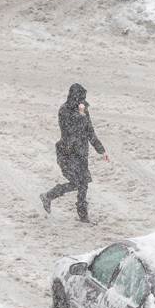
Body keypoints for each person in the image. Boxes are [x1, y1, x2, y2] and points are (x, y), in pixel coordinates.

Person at [40, 84, 108, 223]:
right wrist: (82, 115)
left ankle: (82, 215)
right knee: (77, 182)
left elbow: (90, 131)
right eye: (80, 98)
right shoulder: (64, 110)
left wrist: (101, 150)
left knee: (83, 184)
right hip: (67, 154)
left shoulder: (83, 111)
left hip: (81, 154)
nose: (82, 101)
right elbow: (70, 131)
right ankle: (49, 196)